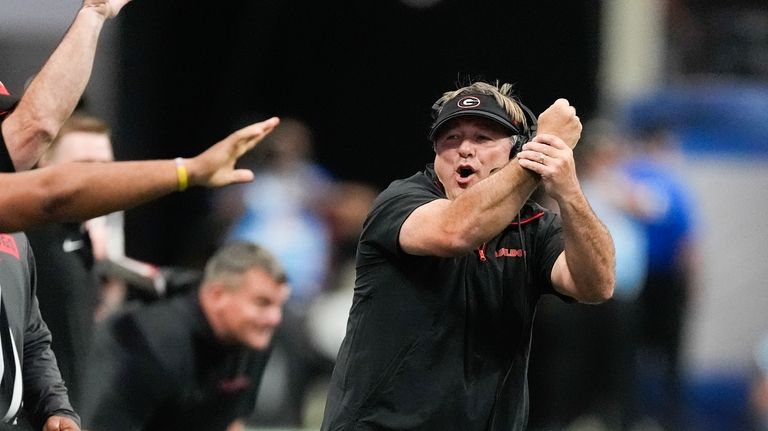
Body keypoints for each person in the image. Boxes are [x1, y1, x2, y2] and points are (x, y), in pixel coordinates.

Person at [320, 80, 615, 431]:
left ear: (513, 148)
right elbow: (455, 232)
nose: (465, 150)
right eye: (451, 138)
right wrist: (535, 156)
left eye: (483, 138)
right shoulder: (400, 201)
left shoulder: (535, 227)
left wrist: (569, 193)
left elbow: (597, 284)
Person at [79, 241, 291, 431]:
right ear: (217, 295)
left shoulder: (252, 338)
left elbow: (230, 422)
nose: (274, 318)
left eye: (279, 305)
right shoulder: (152, 343)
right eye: (262, 303)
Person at [24, 113, 119, 408]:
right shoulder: (25, 239)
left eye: (106, 165)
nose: (99, 176)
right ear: (46, 165)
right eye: (85, 165)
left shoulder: (83, 239)